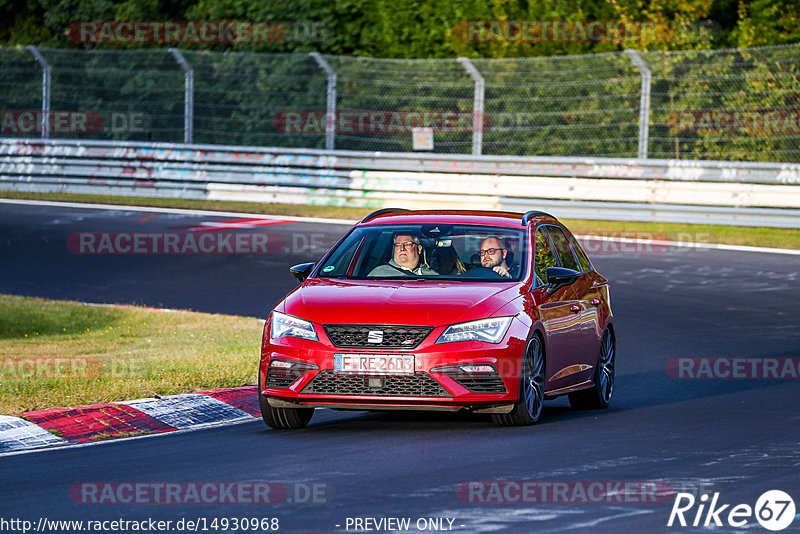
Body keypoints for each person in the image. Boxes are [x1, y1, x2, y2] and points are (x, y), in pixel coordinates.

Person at [369, 233, 438, 276]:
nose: (402, 248)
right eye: (398, 245)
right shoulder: (379, 274)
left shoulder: (432, 275)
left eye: (407, 244)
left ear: (419, 249)